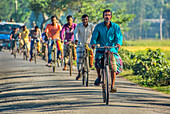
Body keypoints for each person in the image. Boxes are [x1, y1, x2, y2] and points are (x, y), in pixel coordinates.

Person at [90, 9, 123, 93]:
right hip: (101, 48)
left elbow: (119, 37)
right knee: (97, 61)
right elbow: (94, 37)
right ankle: (99, 76)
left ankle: (112, 85)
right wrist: (93, 44)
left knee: (114, 66)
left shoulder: (116, 27)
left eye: (108, 15)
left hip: (112, 49)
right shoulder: (98, 27)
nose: (107, 16)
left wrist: (118, 44)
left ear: (111, 16)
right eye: (105, 15)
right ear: (103, 16)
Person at [74, 14, 94, 80]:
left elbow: (94, 34)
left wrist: (94, 42)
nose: (85, 21)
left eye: (86, 19)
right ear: (82, 20)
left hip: (89, 44)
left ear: (88, 20)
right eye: (83, 19)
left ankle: (90, 64)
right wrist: (76, 40)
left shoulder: (91, 26)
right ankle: (79, 72)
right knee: (79, 59)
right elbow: (76, 33)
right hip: (80, 44)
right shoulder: (79, 26)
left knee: (92, 54)